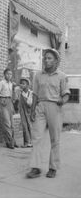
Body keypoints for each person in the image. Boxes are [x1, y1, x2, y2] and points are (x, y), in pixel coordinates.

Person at [26, 48, 70, 179]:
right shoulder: (38, 75)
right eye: (45, 58)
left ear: (56, 61)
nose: (46, 60)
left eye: (49, 58)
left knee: (54, 139)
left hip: (55, 107)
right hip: (40, 106)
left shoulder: (62, 76)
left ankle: (53, 167)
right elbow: (34, 94)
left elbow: (66, 94)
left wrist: (62, 101)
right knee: (36, 137)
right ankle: (35, 167)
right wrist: (32, 109)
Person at [0, 68, 17, 149]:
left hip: (9, 102)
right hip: (3, 101)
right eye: (7, 74)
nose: (9, 75)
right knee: (6, 123)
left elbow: (12, 95)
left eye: (10, 74)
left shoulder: (11, 84)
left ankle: (13, 141)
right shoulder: (2, 82)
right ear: (4, 74)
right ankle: (9, 142)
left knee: (12, 123)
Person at [19, 77, 33, 148]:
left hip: (29, 112)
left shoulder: (30, 93)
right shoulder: (20, 93)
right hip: (22, 112)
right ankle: (26, 142)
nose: (21, 85)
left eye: (23, 84)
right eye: (21, 84)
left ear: (27, 85)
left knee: (30, 126)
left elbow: (29, 103)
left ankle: (31, 142)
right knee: (24, 126)